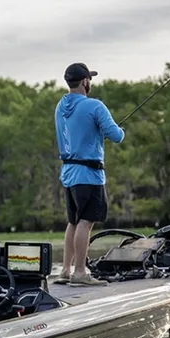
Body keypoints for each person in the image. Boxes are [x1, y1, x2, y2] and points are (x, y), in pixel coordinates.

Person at [53, 62, 125, 287]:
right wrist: (120, 130)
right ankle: (80, 272)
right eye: (89, 79)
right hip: (89, 175)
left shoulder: (60, 106)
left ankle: (65, 270)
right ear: (84, 82)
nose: (90, 83)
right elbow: (116, 136)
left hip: (69, 173)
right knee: (85, 222)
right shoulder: (95, 106)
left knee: (73, 222)